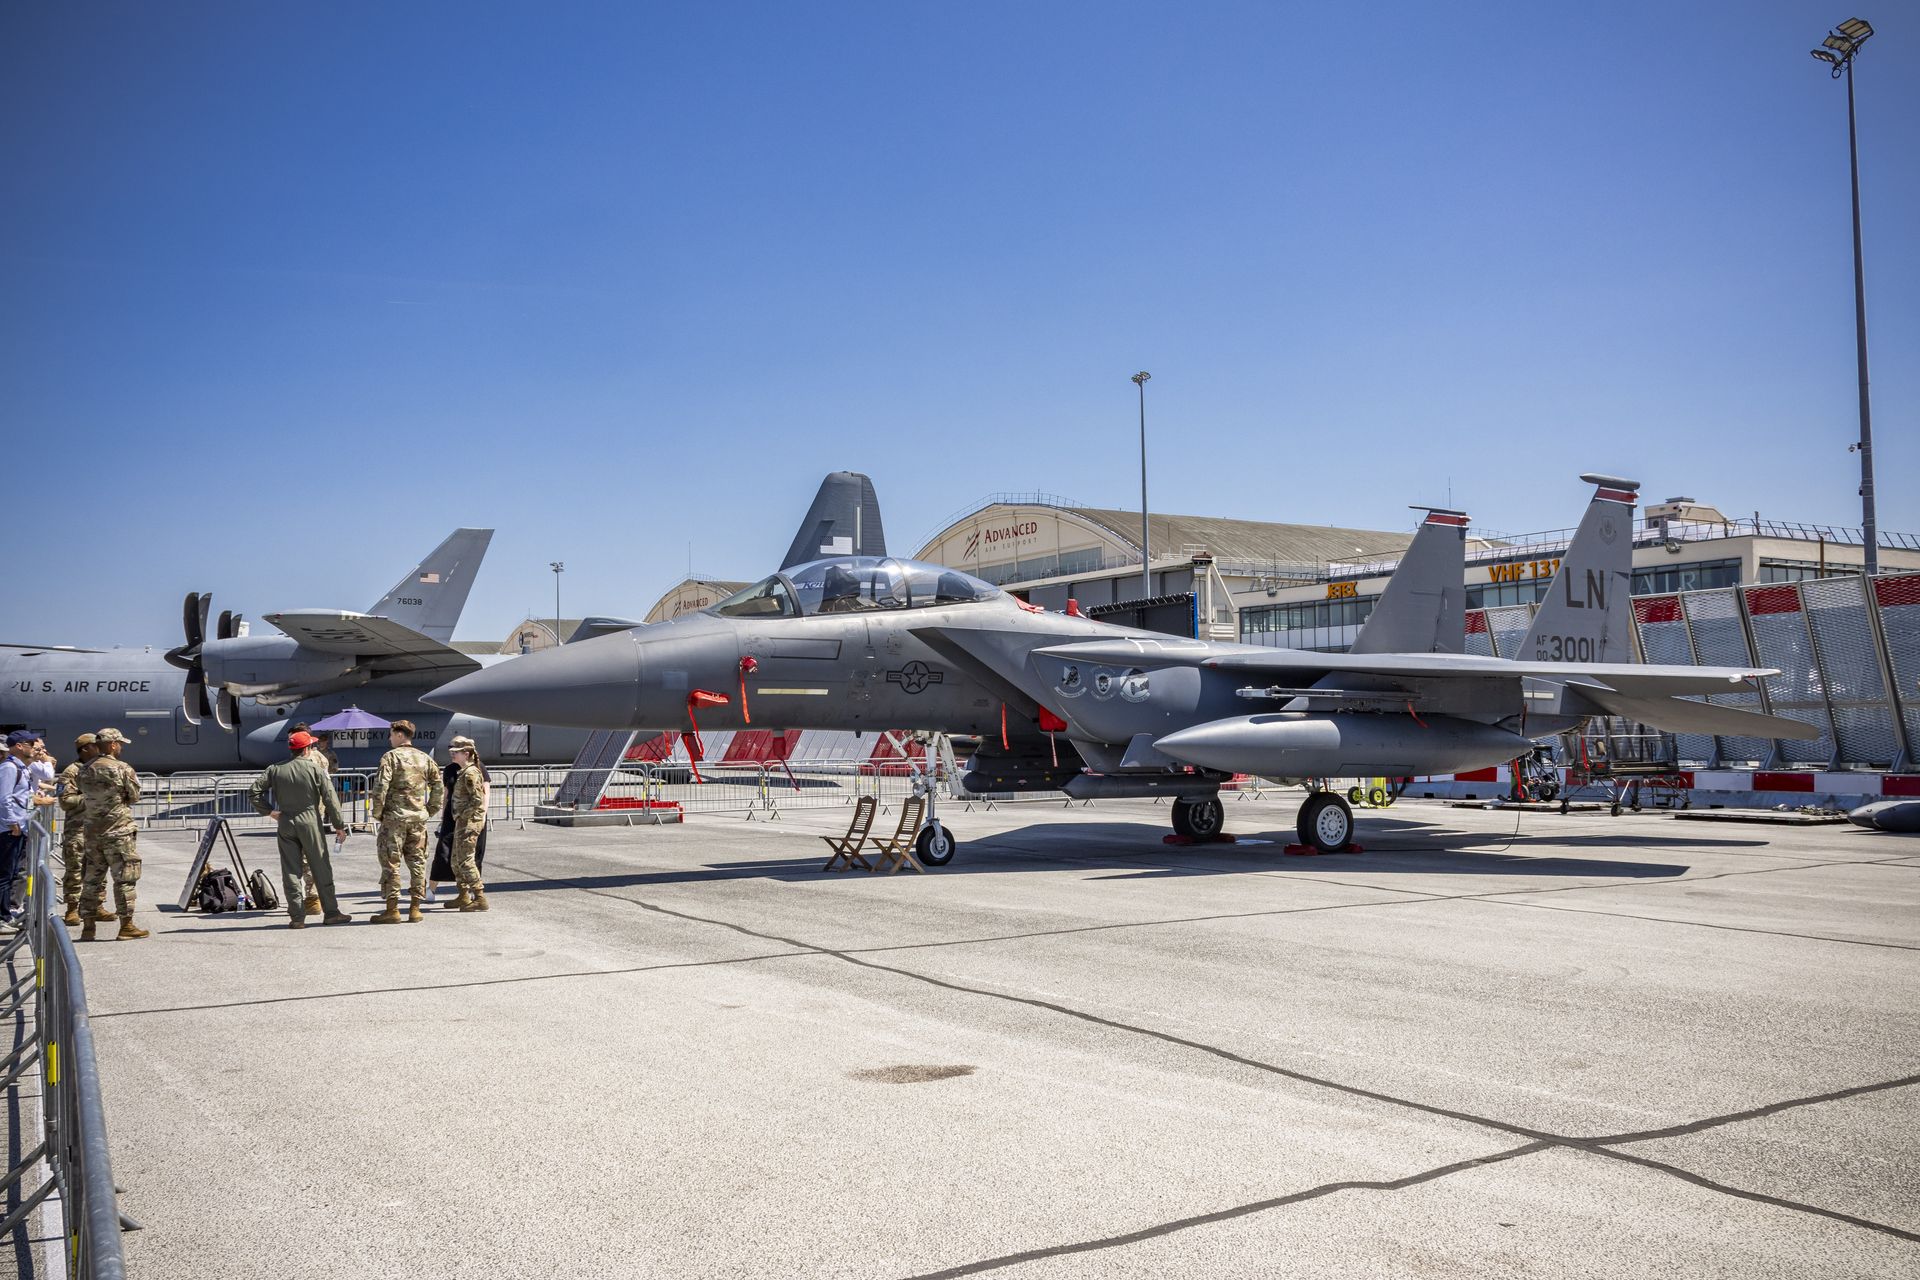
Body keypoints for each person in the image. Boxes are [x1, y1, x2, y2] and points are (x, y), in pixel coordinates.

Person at [250, 731, 351, 929]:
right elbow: (331, 799)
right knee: (320, 867)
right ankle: (331, 912)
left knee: (290, 870)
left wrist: (269, 811)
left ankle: (297, 916)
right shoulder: (315, 770)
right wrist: (339, 826)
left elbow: (254, 791)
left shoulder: (275, 769)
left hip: (286, 821)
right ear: (306, 749)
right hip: (310, 821)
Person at [367, 720, 443, 924]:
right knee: (418, 863)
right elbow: (438, 786)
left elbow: (380, 786)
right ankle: (415, 909)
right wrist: (429, 810)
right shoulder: (425, 758)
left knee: (392, 863)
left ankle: (392, 910)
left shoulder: (390, 757)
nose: (389, 738)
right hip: (418, 820)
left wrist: (378, 813)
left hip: (394, 820)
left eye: (391, 734)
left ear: (400, 735)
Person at [76, 728, 147, 941]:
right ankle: (126, 926)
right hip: (118, 832)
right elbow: (133, 796)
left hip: (92, 832)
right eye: (120, 744)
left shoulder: (84, 769)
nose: (122, 747)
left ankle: (88, 927)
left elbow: (82, 793)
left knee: (91, 880)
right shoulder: (122, 768)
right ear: (113, 745)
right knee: (124, 879)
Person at [1, 729, 57, 928]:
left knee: (12, 872)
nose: (35, 748)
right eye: (31, 744)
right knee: (5, 875)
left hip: (18, 826)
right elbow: (4, 798)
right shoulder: (9, 768)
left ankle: (6, 914)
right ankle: (3, 916)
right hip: (10, 829)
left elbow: (21, 797)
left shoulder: (22, 768)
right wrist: (12, 823)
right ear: (19, 746)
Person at [56, 734, 113, 928]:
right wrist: (92, 798)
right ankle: (72, 909)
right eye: (96, 746)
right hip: (78, 830)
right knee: (75, 870)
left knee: (98, 869)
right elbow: (65, 801)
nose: (101, 748)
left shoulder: (102, 767)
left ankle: (96, 906)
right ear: (86, 748)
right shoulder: (71, 772)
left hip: (99, 830)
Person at [444, 735, 490, 912]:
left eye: (456, 752)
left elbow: (478, 801)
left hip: (469, 823)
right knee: (456, 860)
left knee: (466, 860)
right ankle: (463, 895)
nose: (452, 755)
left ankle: (479, 897)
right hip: (462, 822)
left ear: (466, 753)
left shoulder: (471, 773)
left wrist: (465, 818)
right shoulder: (463, 771)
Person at [287, 722, 328, 915]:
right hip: (316, 814)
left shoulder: (299, 761)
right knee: (313, 856)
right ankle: (313, 898)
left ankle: (311, 899)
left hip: (300, 814)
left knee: (302, 859)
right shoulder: (321, 758)